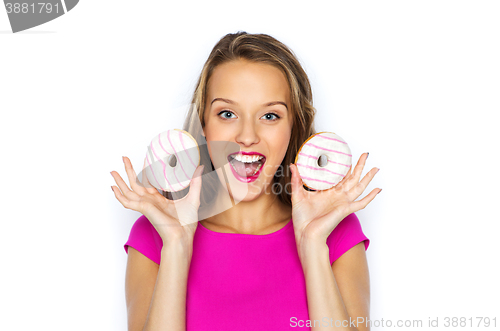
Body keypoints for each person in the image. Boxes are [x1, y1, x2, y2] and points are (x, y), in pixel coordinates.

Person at [110, 31, 381, 331]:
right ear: (204, 124)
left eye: (270, 116)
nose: (247, 137)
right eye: (227, 113)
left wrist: (314, 245)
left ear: (294, 126)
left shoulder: (335, 232)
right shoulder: (156, 234)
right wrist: (176, 244)